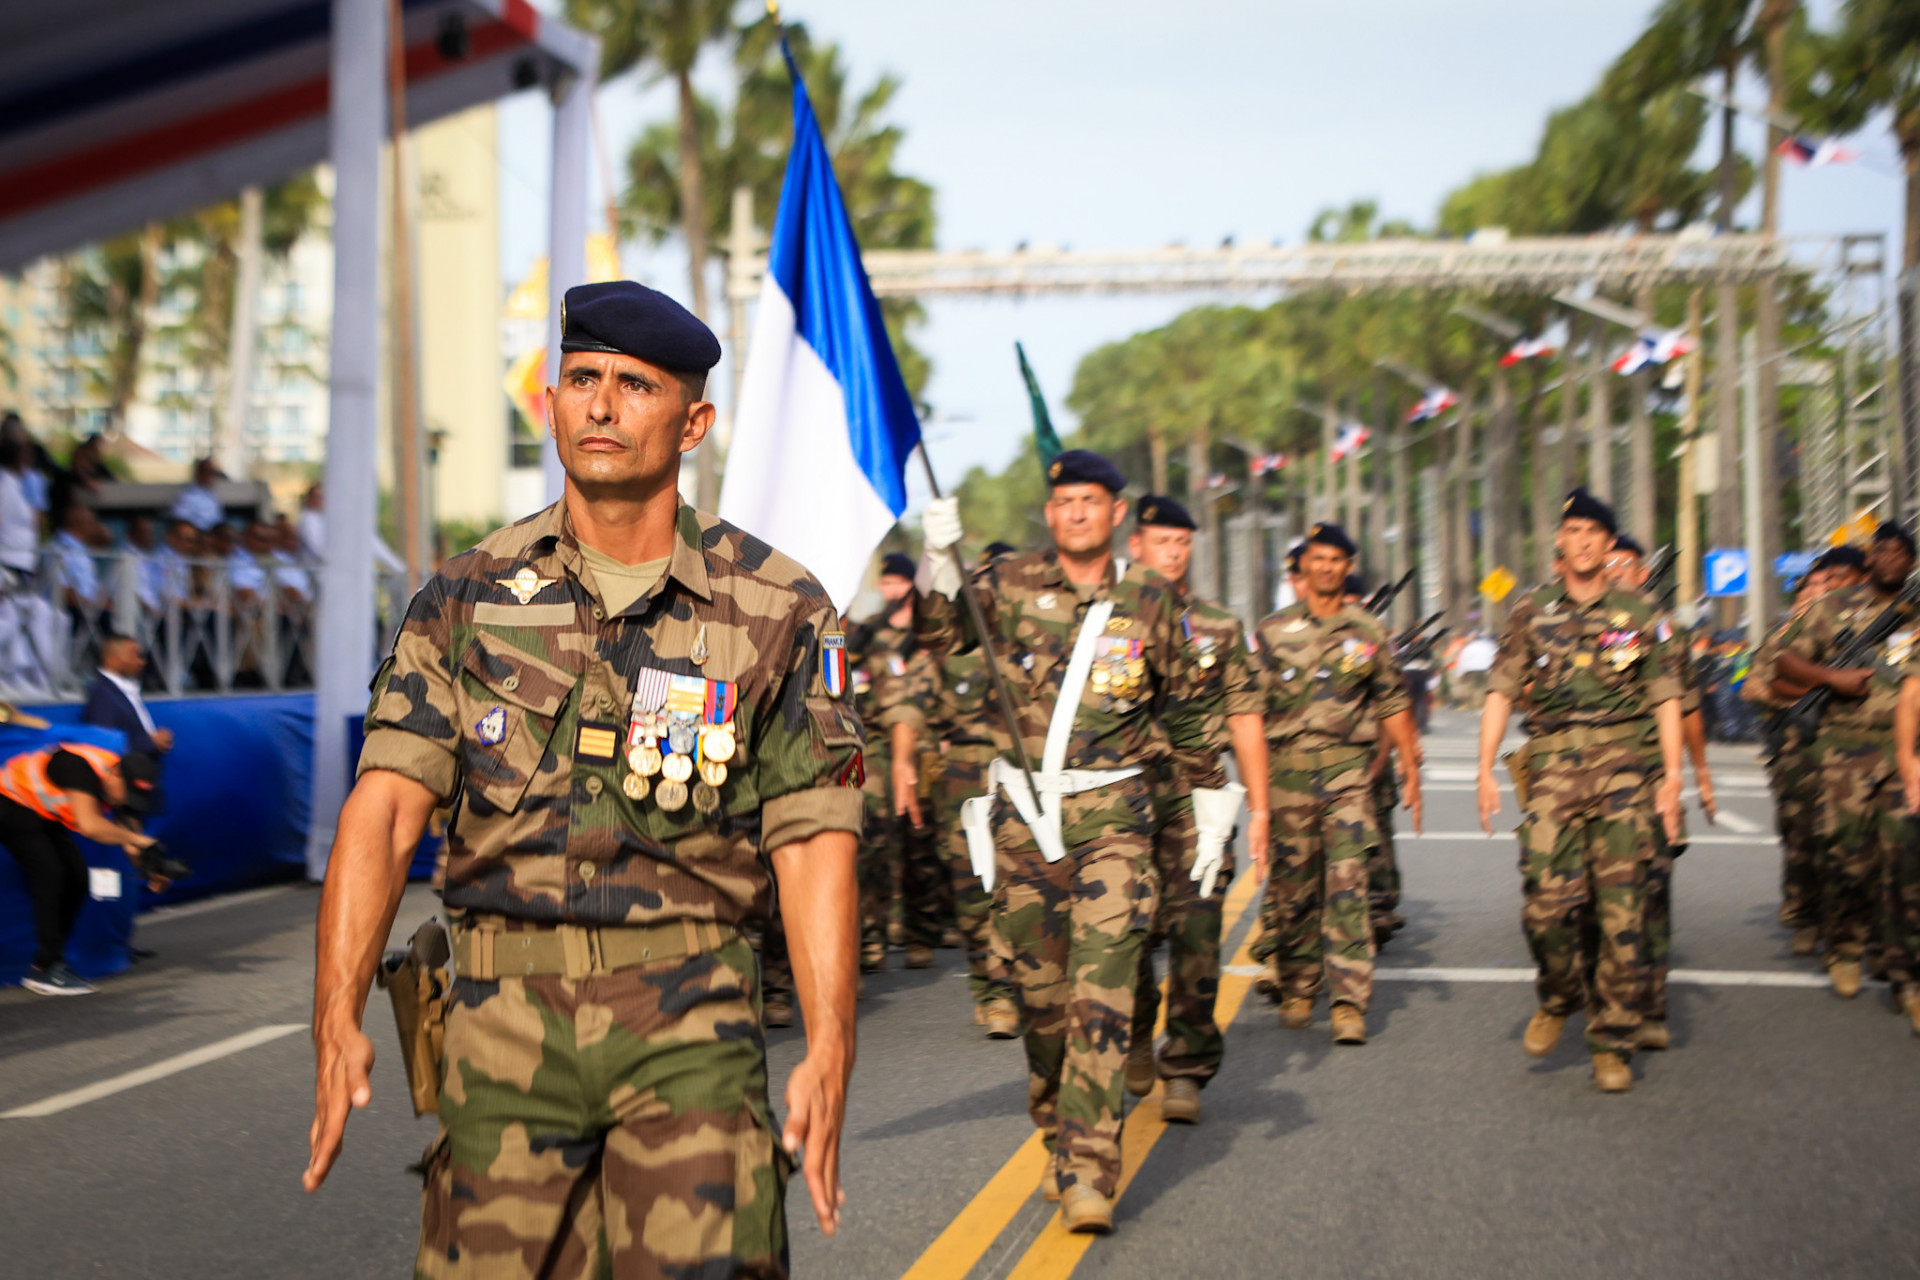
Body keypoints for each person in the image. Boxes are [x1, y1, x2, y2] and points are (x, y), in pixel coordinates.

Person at [303, 280, 862, 1278]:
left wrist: (831, 1043)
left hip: (691, 1024)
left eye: (635, 385)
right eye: (581, 379)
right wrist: (334, 1014)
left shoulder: (775, 604)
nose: (601, 404)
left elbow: (814, 837)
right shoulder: (466, 595)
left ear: (693, 423)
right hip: (499, 1031)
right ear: (554, 404)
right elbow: (383, 811)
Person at [914, 449, 1207, 1233]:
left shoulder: (1151, 597)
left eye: (1091, 500)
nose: (1077, 512)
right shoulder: (1009, 583)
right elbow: (940, 634)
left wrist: (1210, 801)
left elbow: (1184, 707)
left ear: (1117, 513)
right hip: (1027, 823)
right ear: (1050, 514)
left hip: (1115, 819)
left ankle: (1088, 1170)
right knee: (1042, 1002)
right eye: (1065, 501)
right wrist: (937, 559)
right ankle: (1056, 1129)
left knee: (1100, 992)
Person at [1476, 489, 1685, 1094]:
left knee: (1623, 910)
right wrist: (1483, 767)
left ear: (1608, 542)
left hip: (1623, 767)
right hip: (1553, 771)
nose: (1584, 540)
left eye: (1595, 531)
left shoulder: (1640, 611)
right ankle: (1559, 992)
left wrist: (1673, 777)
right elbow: (1502, 690)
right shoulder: (1531, 609)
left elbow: (1666, 696)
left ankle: (1611, 1044)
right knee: (1545, 904)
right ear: (1560, 541)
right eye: (1574, 530)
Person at [1120, 495, 1266, 1121]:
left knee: (1198, 929)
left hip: (1197, 797)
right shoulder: (1102, 617)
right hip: (1119, 797)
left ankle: (1185, 1066)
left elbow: (1245, 714)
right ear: (1136, 545)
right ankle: (1133, 1027)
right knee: (1120, 930)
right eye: (1162, 541)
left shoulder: (1218, 626)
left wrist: (1261, 808)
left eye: (1182, 542)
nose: (1174, 552)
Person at [1252, 522, 1421, 1046]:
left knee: (1348, 882)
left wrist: (1410, 764)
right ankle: (1299, 985)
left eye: (1335, 559)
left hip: (1347, 771)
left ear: (1348, 568)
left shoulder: (1369, 632)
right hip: (1287, 772)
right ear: (1303, 566)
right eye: (1317, 558)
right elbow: (1249, 709)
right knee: (1294, 887)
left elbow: (1392, 700)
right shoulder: (1272, 631)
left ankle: (1349, 1000)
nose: (1325, 567)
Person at [1776, 522, 1919, 1001]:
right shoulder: (1834, 607)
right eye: (1883, 550)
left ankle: (1903, 968)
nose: (1891, 558)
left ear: (1911, 563)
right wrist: (1830, 679)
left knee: (1903, 857)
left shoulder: (1916, 612)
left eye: (1901, 552)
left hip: (1904, 753)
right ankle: (1844, 947)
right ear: (1870, 557)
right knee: (1847, 858)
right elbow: (1786, 662)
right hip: (1845, 749)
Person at [884, 543, 1021, 1037]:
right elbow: (911, 705)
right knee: (973, 886)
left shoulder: (1037, 640)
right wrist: (903, 763)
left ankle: (1023, 986)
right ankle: (991, 988)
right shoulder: (954, 647)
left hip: (1028, 773)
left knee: (1026, 883)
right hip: (967, 775)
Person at [1602, 532, 1716, 1052]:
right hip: (1588, 781)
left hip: (1649, 776)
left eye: (1623, 564)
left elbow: (1687, 706)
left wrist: (1700, 773)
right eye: (1607, 564)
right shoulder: (1576, 619)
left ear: (1643, 573)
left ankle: (1649, 1005)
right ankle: (1604, 997)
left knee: (1650, 892)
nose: (1613, 572)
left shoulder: (1663, 629)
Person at [1751, 546, 1867, 956]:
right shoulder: (1786, 634)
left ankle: (1850, 920)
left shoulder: (1863, 626)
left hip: (1850, 750)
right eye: (1816, 584)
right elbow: (1755, 685)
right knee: (1800, 833)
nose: (1823, 590)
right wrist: (1807, 696)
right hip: (1796, 748)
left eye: (1831, 582)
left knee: (1846, 837)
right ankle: (1804, 913)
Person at [0, 739, 162, 994]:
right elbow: (89, 825)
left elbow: (132, 844)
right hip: (8, 800)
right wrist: (139, 840)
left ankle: (49, 963)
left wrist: (153, 870)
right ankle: (47, 968)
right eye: (127, 793)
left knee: (77, 878)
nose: (126, 800)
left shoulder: (124, 782)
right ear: (115, 774)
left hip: (40, 812)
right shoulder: (76, 767)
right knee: (51, 875)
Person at [848, 552, 944, 971]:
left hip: (921, 745)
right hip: (876, 746)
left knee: (919, 838)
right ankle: (874, 936)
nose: (891, 590)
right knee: (874, 838)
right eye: (885, 582)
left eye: (898, 582)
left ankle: (921, 931)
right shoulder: (870, 633)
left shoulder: (929, 634)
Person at [82, 634, 174, 758]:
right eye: (133, 656)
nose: (141, 662)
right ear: (112, 659)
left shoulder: (123, 689)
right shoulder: (102, 694)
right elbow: (103, 742)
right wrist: (150, 742)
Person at [168, 458, 225, 531]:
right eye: (208, 472)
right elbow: (181, 522)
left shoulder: (212, 497)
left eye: (213, 473)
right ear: (199, 473)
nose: (211, 477)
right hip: (197, 535)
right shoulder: (186, 497)